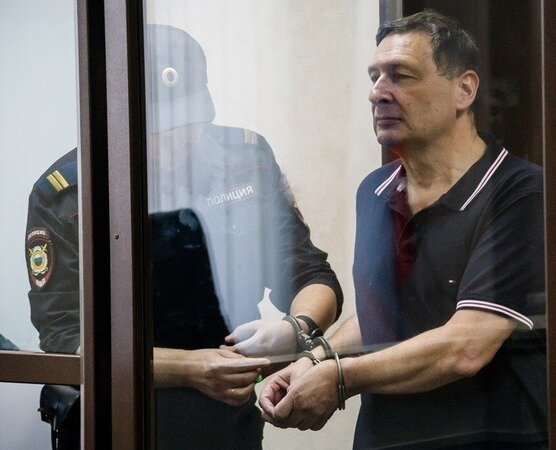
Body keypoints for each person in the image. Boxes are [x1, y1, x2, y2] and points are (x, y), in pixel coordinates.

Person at [25, 24, 343, 449]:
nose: (173, 142)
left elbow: (309, 273)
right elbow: (64, 337)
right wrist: (189, 369)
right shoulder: (69, 192)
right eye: (156, 129)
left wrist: (296, 328)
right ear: (119, 116)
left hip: (225, 419)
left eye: (186, 123)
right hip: (114, 416)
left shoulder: (244, 160)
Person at [257, 10, 547, 449]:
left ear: (464, 89)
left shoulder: (519, 191)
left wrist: (338, 378)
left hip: (486, 437)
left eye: (401, 76)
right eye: (374, 76)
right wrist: (315, 359)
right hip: (385, 438)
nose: (377, 92)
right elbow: (382, 314)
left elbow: (466, 346)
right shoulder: (375, 191)